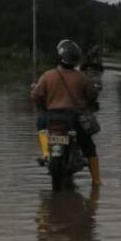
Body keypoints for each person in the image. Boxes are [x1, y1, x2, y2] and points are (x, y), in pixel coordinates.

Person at [31, 39, 102, 186]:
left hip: (53, 119)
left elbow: (35, 96)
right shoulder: (82, 78)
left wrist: (43, 105)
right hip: (75, 120)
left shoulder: (47, 76)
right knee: (89, 148)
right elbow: (92, 96)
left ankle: (45, 153)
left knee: (41, 125)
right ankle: (96, 182)